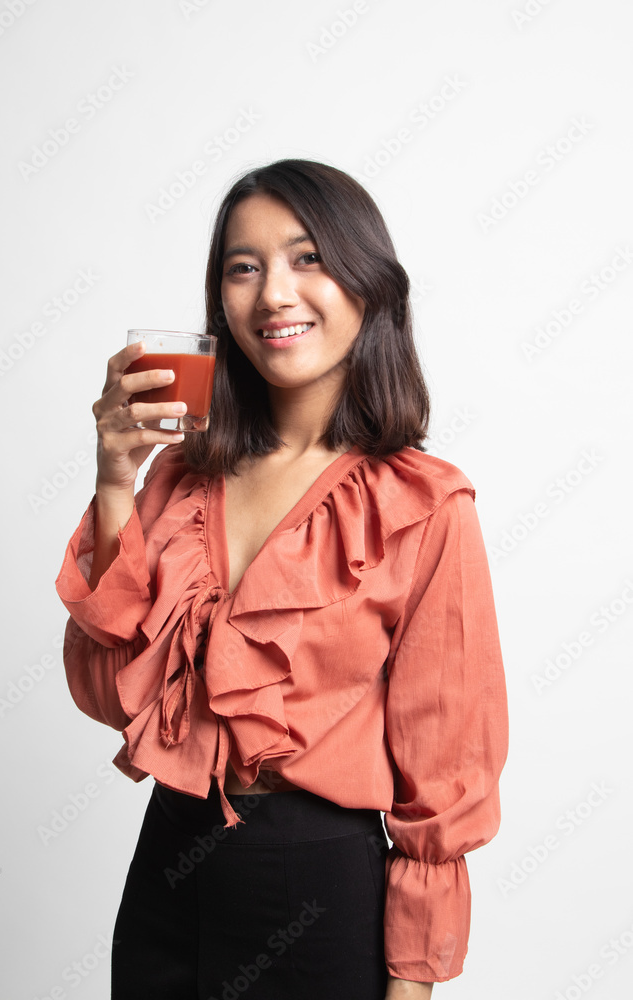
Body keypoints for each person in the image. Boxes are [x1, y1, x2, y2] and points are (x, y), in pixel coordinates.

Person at [56, 158, 508, 999]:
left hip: (320, 886)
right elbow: (111, 695)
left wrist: (412, 980)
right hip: (168, 867)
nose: (272, 294)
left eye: (308, 259)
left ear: (367, 286)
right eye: (243, 266)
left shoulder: (421, 504)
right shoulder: (180, 480)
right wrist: (115, 482)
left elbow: (446, 766)